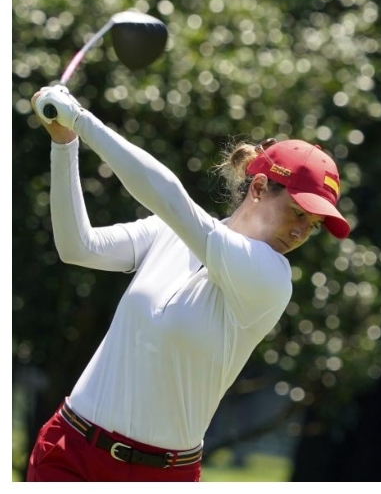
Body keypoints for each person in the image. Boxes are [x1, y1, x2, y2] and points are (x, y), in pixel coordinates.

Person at [25, 85, 350, 481]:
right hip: (69, 449)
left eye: (312, 225)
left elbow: (169, 199)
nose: (301, 232)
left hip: (161, 476)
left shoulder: (270, 277)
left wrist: (81, 119)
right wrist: (65, 144)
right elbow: (79, 247)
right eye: (297, 213)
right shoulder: (172, 232)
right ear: (261, 188)